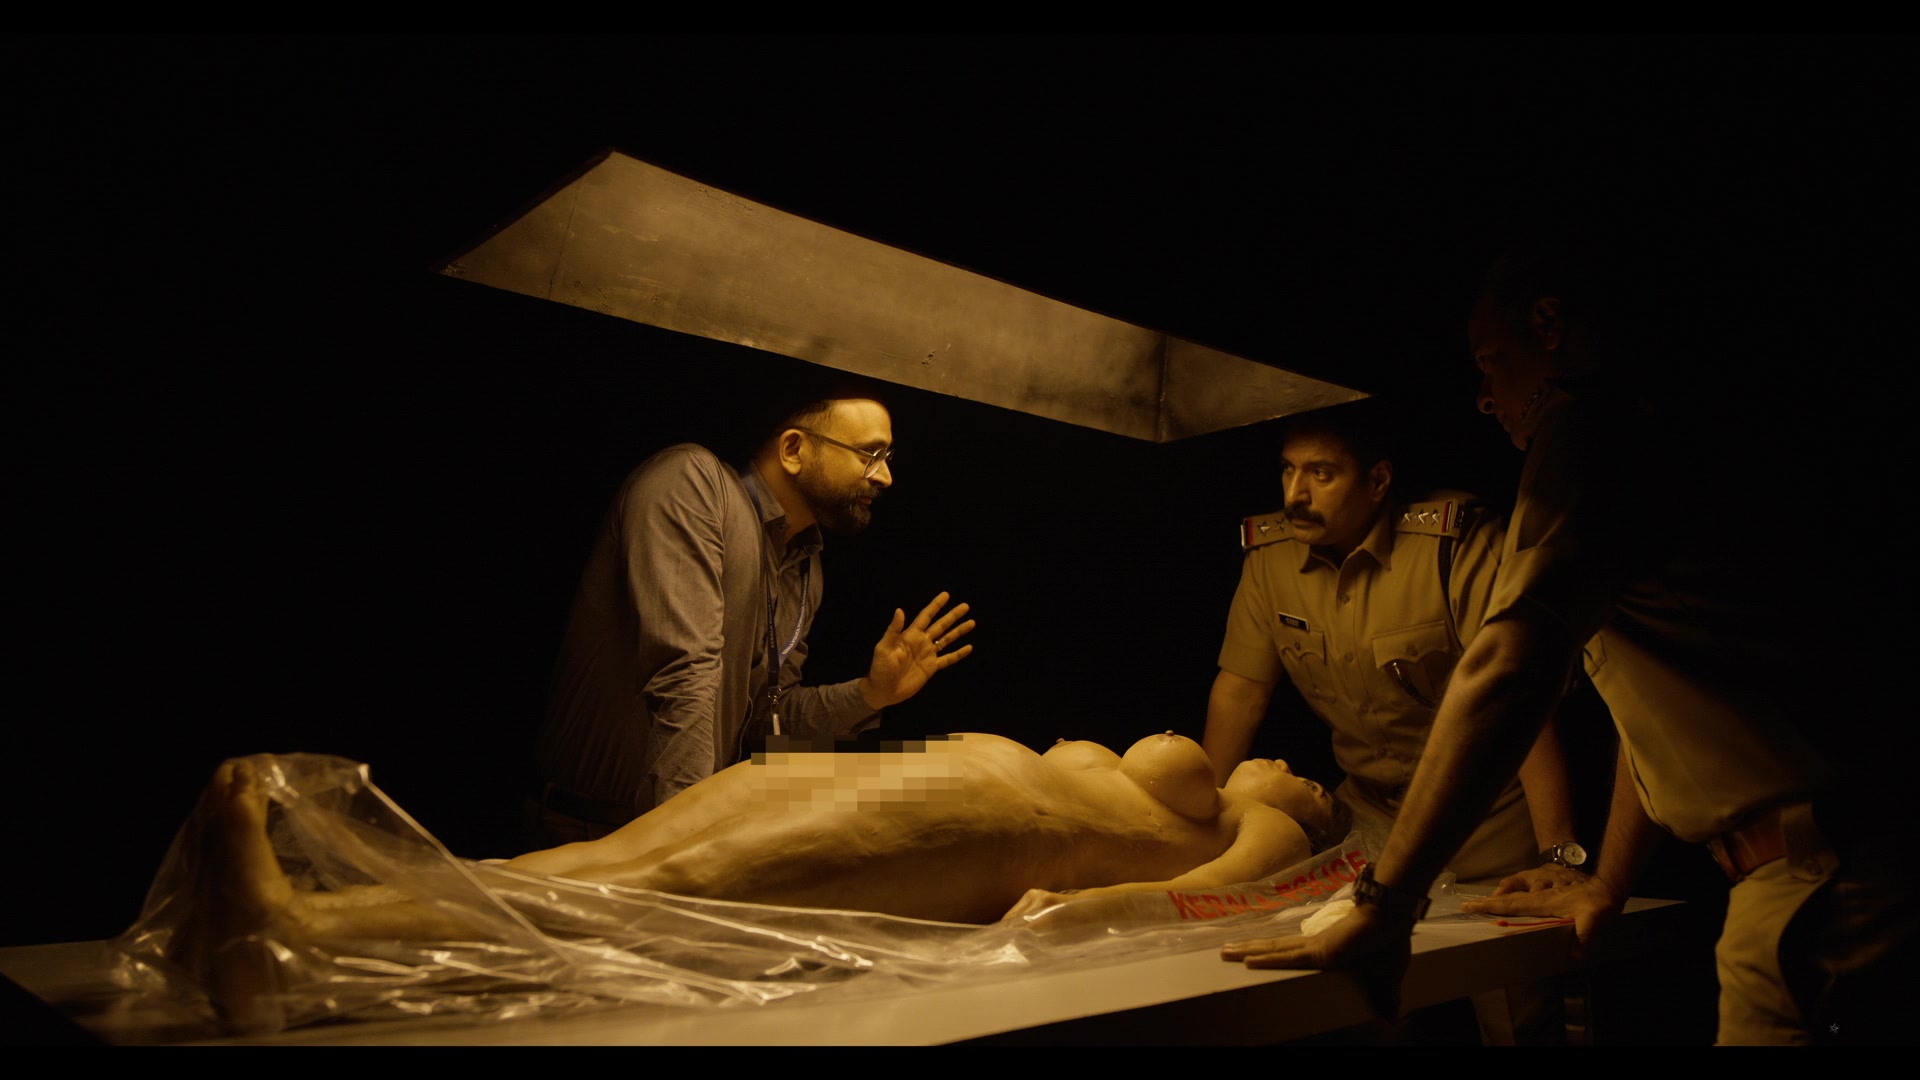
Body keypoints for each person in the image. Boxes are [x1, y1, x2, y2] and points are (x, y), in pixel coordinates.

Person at [1217, 238, 1915, 1045]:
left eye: (1493, 361)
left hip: (1833, 880)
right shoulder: (1660, 430)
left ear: (1549, 326)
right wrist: (1608, 880)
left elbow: (1511, 673)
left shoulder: (1593, 427)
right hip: (1799, 875)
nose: (1487, 398)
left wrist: (1389, 903)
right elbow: (1660, 705)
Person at [182, 732, 1340, 1019]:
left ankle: (297, 943)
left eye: (1311, 782)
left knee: (651, 886)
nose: (1292, 766)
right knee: (606, 862)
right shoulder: (1199, 780)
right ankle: (307, 917)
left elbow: (1210, 902)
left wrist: (1082, 910)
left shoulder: (1272, 831)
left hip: (979, 829)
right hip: (926, 782)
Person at [1204, 401, 1580, 1043]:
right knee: (1359, 1002)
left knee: (1517, 1016)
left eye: (1322, 474)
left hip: (1485, 815)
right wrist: (1202, 819)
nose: (1296, 494)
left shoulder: (1452, 545)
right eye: (1289, 470)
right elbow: (1240, 694)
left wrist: (1558, 853)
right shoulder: (1271, 556)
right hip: (1370, 819)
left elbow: (1516, 696)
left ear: (1377, 481)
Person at [527, 384, 976, 846]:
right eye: (869, 454)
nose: (884, 477)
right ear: (793, 450)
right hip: (585, 834)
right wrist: (683, 843)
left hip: (678, 832)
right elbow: (685, 674)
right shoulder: (693, 484)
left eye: (886, 456)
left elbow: (766, 720)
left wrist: (870, 694)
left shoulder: (805, 569)